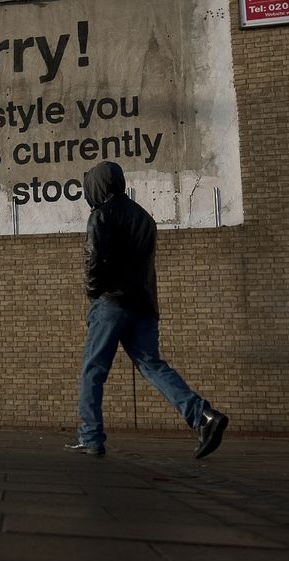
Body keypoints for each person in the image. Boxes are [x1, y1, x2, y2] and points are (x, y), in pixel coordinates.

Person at [65, 161, 228, 458]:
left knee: (93, 369)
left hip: (112, 304)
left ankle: (91, 437)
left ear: (98, 186)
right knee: (152, 365)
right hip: (144, 305)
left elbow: (94, 259)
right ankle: (202, 416)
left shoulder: (101, 215)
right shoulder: (145, 218)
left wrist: (93, 292)